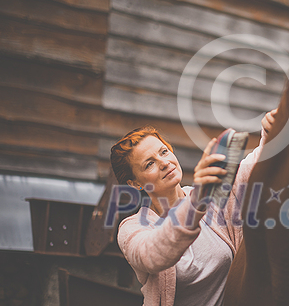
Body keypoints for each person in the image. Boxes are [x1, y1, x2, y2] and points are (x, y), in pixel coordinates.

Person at [111, 109, 277, 306]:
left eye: (164, 152)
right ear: (134, 183)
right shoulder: (132, 229)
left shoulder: (210, 200)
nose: (164, 163)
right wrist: (198, 199)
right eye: (149, 164)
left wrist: (270, 132)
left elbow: (249, 171)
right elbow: (152, 255)